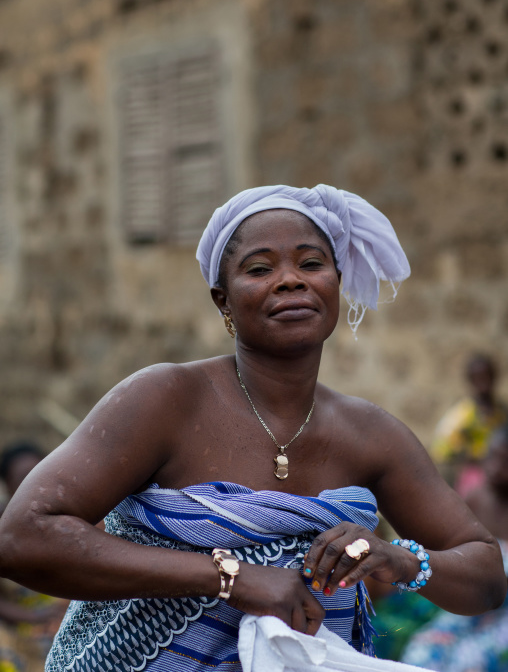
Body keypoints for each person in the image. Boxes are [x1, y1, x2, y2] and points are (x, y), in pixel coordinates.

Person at [0, 184, 504, 672]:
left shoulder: (373, 436)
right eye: (260, 269)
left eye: (311, 263)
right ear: (223, 301)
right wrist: (231, 578)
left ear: (336, 281)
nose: (290, 280)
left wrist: (398, 559)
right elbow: (23, 536)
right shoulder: (165, 400)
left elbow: (485, 574)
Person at [401, 423, 508, 671]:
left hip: (502, 612)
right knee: (424, 651)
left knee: (474, 659)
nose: (495, 468)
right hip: (474, 601)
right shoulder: (476, 498)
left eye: (505, 462)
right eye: (492, 458)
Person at [0, 443, 68, 672]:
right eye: (22, 477)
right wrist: (35, 617)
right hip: (19, 627)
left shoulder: (72, 517)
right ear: (7, 485)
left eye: (38, 472)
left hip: (64, 618)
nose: (32, 482)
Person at [432, 353, 508, 496]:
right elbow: (441, 450)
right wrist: (473, 458)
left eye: (487, 376)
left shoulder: (502, 412)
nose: (483, 381)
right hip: (475, 476)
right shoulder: (463, 414)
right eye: (478, 377)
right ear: (470, 380)